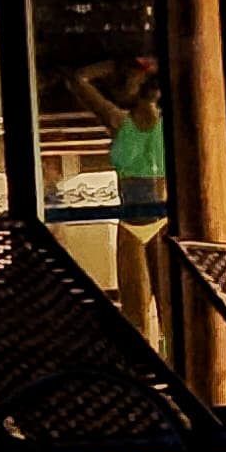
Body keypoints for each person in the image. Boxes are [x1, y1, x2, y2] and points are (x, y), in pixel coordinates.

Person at [76, 55, 169, 341]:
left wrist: (135, 66)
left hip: (151, 221)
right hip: (139, 222)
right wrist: (125, 65)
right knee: (137, 318)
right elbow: (78, 79)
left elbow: (79, 79)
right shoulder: (122, 121)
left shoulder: (139, 122)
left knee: (166, 317)